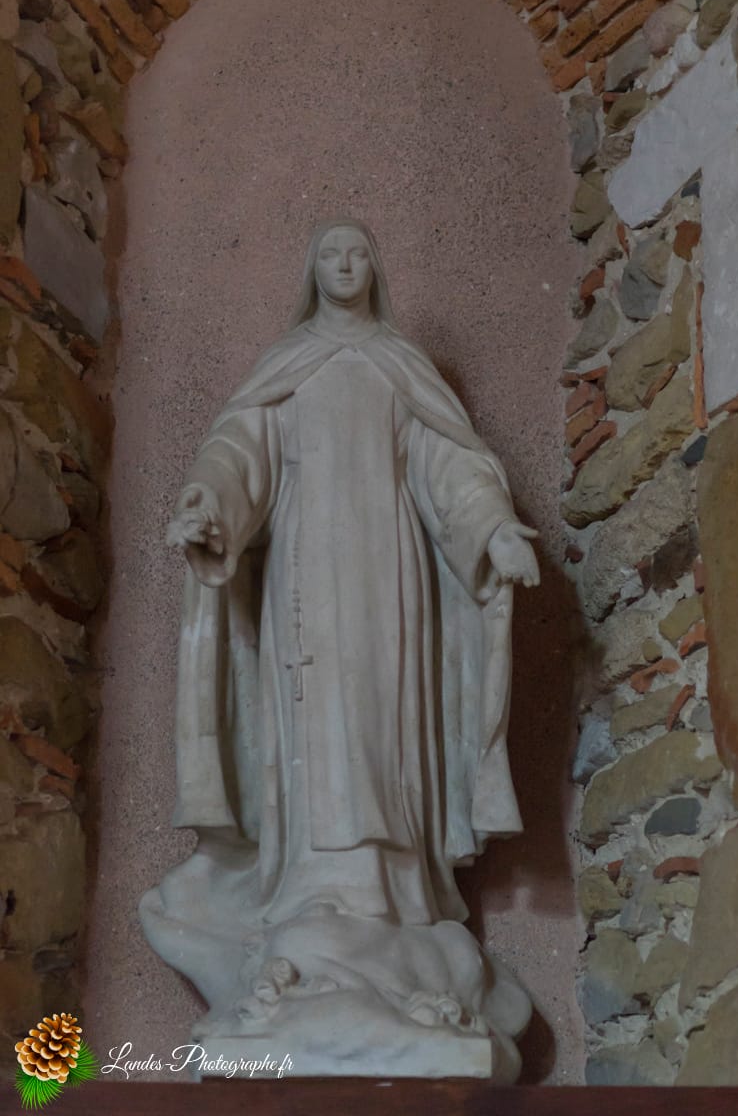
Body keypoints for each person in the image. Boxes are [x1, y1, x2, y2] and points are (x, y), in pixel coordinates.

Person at [142, 218, 539, 1075]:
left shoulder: (401, 368)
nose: (346, 265)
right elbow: (236, 452)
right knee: (314, 736)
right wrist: (208, 503)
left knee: (387, 735)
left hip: (392, 593)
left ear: (374, 270)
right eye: (331, 255)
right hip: (303, 587)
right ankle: (311, 896)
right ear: (312, 272)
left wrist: (493, 531)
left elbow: (449, 468)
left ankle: (400, 903)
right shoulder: (287, 369)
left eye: (358, 253)